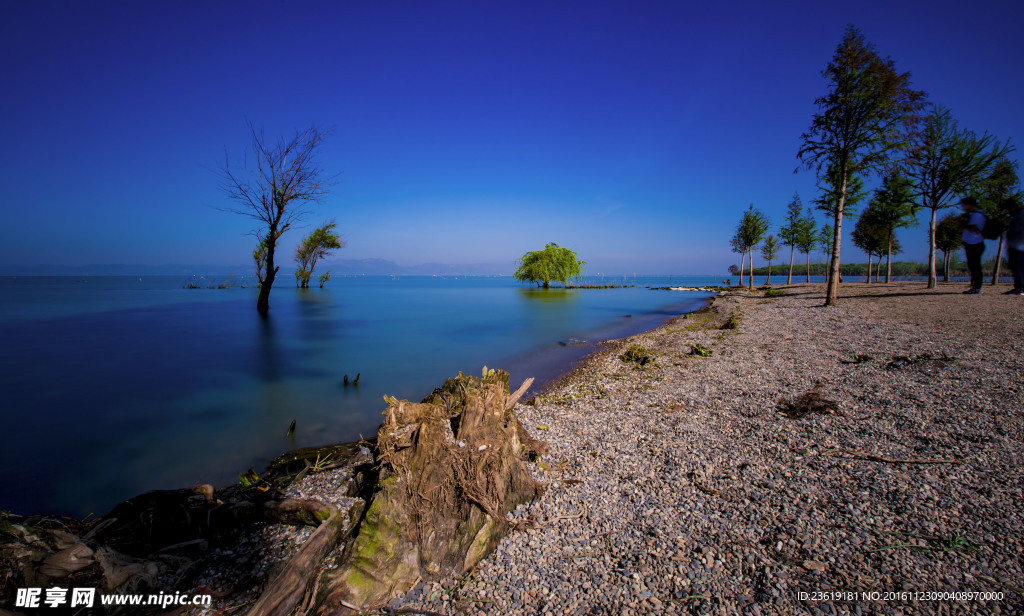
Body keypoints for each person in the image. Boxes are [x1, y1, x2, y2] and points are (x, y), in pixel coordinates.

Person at [959, 197, 986, 294]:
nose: (963, 208)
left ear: (970, 205)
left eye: (964, 205)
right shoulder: (974, 215)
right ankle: (976, 287)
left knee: (975, 266)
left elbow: (972, 229)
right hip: (972, 243)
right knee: (973, 266)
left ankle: (977, 288)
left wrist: (963, 223)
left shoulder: (977, 215)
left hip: (975, 244)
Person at [1001, 198, 1024, 296]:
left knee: (1018, 267)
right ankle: (1019, 287)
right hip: (1016, 246)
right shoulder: (1018, 215)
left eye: (1008, 209)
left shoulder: (1020, 215)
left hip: (1019, 246)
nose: (1007, 212)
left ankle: (1020, 288)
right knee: (1016, 267)